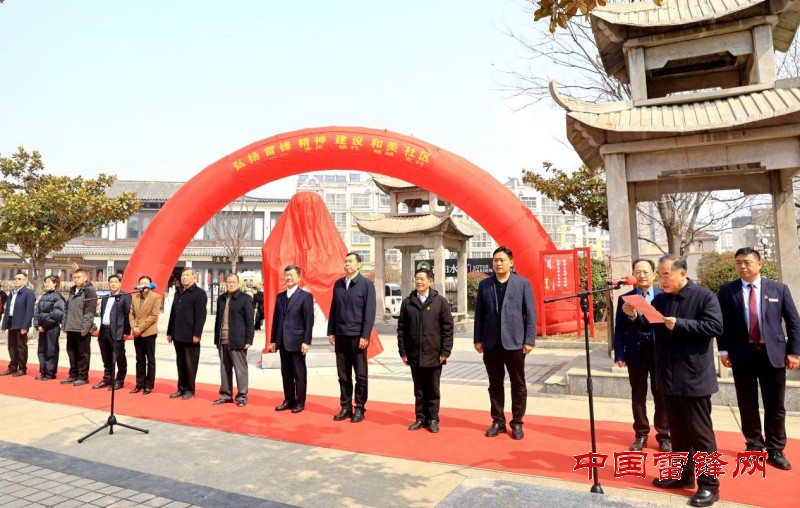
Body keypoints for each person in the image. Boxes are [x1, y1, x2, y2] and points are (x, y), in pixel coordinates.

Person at [623, 255, 723, 508]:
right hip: (667, 375)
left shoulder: (703, 296)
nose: (661, 279)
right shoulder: (661, 299)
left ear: (682, 273)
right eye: (660, 274)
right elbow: (648, 324)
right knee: (677, 433)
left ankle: (709, 485)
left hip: (694, 377)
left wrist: (681, 324)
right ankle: (681, 475)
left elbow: (714, 326)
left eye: (666, 274)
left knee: (701, 436)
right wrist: (634, 315)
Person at [717, 247, 800, 471]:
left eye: (747, 262)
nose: (742, 266)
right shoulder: (727, 291)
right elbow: (721, 324)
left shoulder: (778, 289)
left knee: (776, 405)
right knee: (747, 403)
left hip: (772, 355)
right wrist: (723, 350)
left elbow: (793, 322)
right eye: (738, 263)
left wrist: (794, 352)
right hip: (742, 355)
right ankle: (753, 447)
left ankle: (776, 449)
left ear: (760, 263)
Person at [473, 246, 536, 440]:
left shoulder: (522, 284)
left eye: (502, 260)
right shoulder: (485, 285)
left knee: (518, 384)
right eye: (495, 260)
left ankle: (517, 422)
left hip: (515, 342)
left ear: (511, 262)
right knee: (495, 384)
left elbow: (530, 314)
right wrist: (477, 339)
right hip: (491, 343)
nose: (498, 263)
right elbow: (479, 315)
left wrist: (529, 340)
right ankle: (498, 421)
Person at [613, 259, 671, 452]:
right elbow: (619, 330)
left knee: (661, 394)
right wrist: (619, 353)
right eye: (638, 272)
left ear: (654, 274)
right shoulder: (626, 299)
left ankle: (664, 435)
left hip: (660, 351)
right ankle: (641, 434)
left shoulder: (664, 297)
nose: (642, 275)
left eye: (646, 272)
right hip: (635, 351)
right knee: (638, 394)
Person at [397, 268, 453, 433]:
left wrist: (445, 351)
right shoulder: (408, 302)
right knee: (419, 390)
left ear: (430, 281)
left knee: (433, 389)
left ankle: (433, 419)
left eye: (422, 278)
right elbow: (401, 329)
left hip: (434, 354)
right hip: (414, 354)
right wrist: (403, 352)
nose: (419, 282)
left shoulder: (440, 302)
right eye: (417, 279)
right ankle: (420, 418)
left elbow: (447, 328)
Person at [327, 252, 376, 423]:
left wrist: (365, 335)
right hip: (340, 335)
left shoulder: (366, 285)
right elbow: (333, 308)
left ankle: (360, 408)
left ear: (359, 265)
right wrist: (331, 331)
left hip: (357, 336)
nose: (347, 264)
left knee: (360, 375)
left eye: (350, 261)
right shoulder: (338, 284)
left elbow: (369, 313)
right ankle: (346, 406)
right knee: (343, 375)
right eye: (345, 261)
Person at [270, 265, 314, 413]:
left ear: (298, 277)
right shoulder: (280, 296)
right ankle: (288, 399)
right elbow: (276, 319)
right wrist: (273, 340)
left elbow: (309, 321)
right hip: (283, 341)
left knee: (299, 374)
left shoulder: (305, 296)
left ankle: (300, 402)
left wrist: (306, 341)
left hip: (297, 340)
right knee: (286, 373)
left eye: (291, 275)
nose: (288, 278)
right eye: (286, 275)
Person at [213, 273, 254, 407]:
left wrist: (249, 339)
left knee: (240, 369)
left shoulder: (245, 299)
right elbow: (218, 320)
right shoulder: (221, 299)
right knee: (224, 368)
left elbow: (249, 321)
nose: (230, 284)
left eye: (233, 282)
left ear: (239, 284)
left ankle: (242, 396)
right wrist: (216, 338)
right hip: (222, 339)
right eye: (228, 282)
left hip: (237, 340)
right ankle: (226, 394)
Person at [167, 268, 207, 400]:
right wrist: (169, 331)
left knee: (190, 363)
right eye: (183, 275)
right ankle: (181, 388)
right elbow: (173, 313)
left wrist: (197, 334)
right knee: (181, 363)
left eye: (187, 275)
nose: (184, 278)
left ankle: (190, 389)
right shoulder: (178, 292)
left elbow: (201, 316)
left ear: (194, 277)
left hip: (190, 335)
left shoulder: (199, 293)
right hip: (177, 334)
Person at [94, 275, 132, 390]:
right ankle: (107, 379)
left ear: (120, 283)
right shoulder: (105, 297)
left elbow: (127, 315)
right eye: (111, 282)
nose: (113, 284)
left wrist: (126, 331)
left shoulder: (125, 296)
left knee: (119, 357)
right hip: (104, 330)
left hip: (117, 331)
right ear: (108, 284)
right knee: (106, 357)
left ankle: (119, 380)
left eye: (116, 282)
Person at [60, 269, 98, 386]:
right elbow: (67, 309)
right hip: (71, 327)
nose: (76, 279)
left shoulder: (89, 291)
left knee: (83, 353)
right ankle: (73, 374)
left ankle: (83, 376)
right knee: (71, 352)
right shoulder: (72, 290)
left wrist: (85, 328)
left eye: (79, 277)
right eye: (74, 277)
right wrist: (64, 324)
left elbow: (89, 312)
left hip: (82, 328)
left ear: (86, 278)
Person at [129, 275, 162, 394]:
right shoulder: (135, 297)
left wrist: (140, 327)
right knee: (139, 359)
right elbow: (131, 314)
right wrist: (134, 327)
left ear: (150, 284)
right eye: (141, 283)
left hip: (149, 332)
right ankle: (139, 384)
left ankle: (149, 385)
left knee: (150, 359)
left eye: (145, 283)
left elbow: (154, 316)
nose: (143, 285)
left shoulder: (156, 297)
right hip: (137, 333)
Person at [0, 273, 36, 377]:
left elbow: (29, 311)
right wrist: (4, 325)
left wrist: (25, 326)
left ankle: (22, 368)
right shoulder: (12, 293)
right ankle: (12, 367)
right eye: (15, 278)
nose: (16, 280)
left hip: (21, 323)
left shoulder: (28, 293)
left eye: (19, 279)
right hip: (11, 322)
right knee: (11, 346)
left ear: (24, 280)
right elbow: (8, 310)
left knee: (21, 347)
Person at [32, 275, 65, 380]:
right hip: (42, 328)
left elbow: (57, 314)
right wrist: (37, 325)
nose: (46, 284)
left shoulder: (58, 297)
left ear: (55, 283)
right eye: (45, 282)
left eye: (48, 282)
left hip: (52, 328)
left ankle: (50, 373)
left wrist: (45, 326)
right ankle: (43, 371)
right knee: (41, 350)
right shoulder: (44, 296)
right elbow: (37, 312)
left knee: (51, 350)